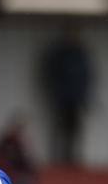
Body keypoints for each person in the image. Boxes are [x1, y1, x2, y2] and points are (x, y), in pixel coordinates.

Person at [40, 24, 94, 165]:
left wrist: (84, 96)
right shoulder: (60, 54)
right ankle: (58, 158)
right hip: (61, 96)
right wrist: (55, 91)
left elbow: (87, 76)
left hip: (76, 98)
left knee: (74, 128)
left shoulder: (81, 53)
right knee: (60, 127)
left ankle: (72, 157)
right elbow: (50, 74)